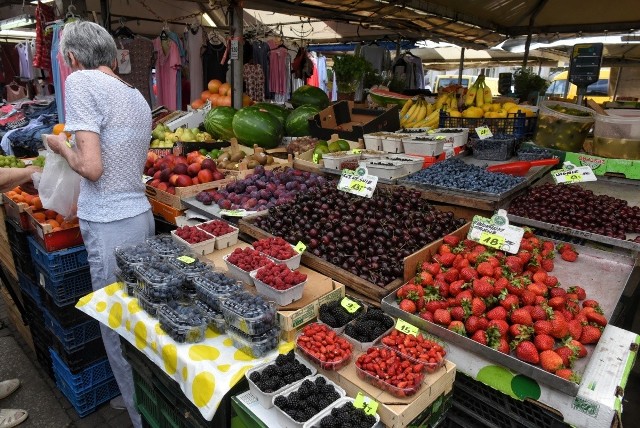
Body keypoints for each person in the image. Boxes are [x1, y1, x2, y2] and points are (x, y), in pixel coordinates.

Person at [45, 21, 154, 428]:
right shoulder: (135, 94)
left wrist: (60, 145)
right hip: (139, 217)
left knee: (116, 324)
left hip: (109, 224)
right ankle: (141, 399)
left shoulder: (81, 83)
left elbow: (91, 167)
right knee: (142, 317)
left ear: (72, 58)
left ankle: (137, 413)